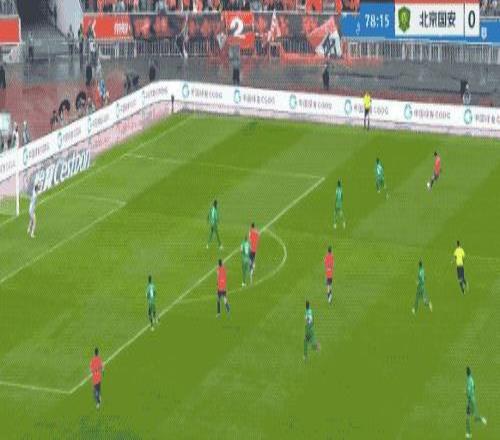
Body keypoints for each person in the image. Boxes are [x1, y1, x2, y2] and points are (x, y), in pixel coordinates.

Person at [465, 366, 487, 439]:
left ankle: (468, 434)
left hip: (470, 401)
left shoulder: (468, 380)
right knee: (475, 418)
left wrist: (467, 394)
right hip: (473, 399)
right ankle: (482, 419)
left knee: (467, 418)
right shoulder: (472, 379)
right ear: (470, 372)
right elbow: (474, 387)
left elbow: (469, 392)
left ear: (466, 373)